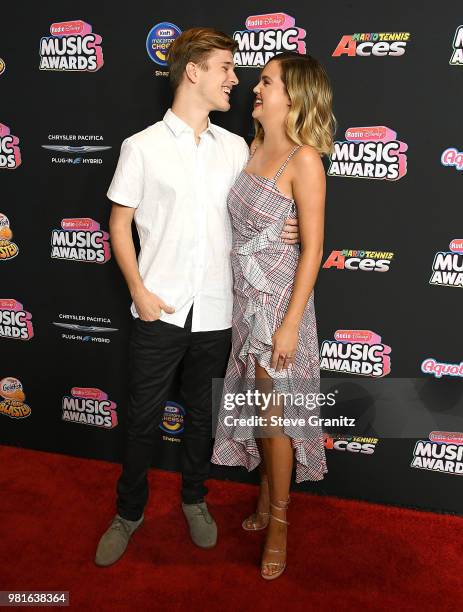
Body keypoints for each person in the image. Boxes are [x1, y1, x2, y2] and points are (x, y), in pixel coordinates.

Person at [94, 28, 300, 567]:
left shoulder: (236, 149)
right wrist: (138, 290)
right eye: (226, 69)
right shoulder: (140, 146)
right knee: (140, 420)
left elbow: (270, 201)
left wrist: (294, 227)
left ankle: (194, 499)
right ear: (193, 72)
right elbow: (118, 224)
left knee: (202, 419)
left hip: (219, 311)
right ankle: (128, 513)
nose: (237, 79)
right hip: (159, 309)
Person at [212, 51, 336, 580]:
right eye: (258, 81)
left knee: (273, 415)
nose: (255, 89)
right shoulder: (253, 147)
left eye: (267, 82)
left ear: (294, 96)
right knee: (258, 413)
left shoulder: (305, 160)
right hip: (244, 299)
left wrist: (289, 323)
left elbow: (312, 249)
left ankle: (281, 522)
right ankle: (265, 493)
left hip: (281, 307)